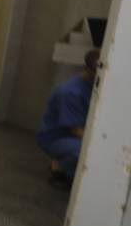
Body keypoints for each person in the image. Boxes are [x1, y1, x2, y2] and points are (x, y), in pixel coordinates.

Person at [37, 49, 100, 189]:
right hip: (57, 137)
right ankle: (61, 169)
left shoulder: (92, 87)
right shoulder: (70, 93)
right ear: (88, 70)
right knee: (84, 152)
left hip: (76, 134)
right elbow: (75, 129)